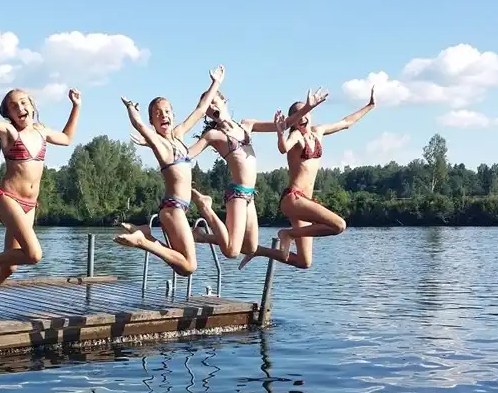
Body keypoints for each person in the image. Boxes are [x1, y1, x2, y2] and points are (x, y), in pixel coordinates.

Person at [0, 60, 82, 332]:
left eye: (24, 102)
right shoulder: (9, 132)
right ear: (9, 114)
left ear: (33, 106)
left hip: (29, 205)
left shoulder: (42, 131)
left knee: (11, 266)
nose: (21, 108)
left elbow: (68, 138)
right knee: (34, 255)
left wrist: (76, 107)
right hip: (8, 198)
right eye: (14, 106)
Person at [240, 86, 376, 271]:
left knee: (304, 262)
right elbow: (283, 148)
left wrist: (369, 106)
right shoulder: (296, 135)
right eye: (298, 115)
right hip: (293, 199)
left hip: (306, 203)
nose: (303, 118)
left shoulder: (318, 131)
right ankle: (287, 234)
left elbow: (346, 122)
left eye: (306, 113)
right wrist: (280, 132)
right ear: (294, 121)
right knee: (339, 225)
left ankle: (258, 251)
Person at [182, 89, 327, 259]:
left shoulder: (246, 125)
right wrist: (163, 143)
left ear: (224, 101)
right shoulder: (213, 135)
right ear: (205, 112)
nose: (212, 106)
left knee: (250, 248)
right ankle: (205, 206)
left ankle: (202, 236)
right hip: (237, 193)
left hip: (251, 195)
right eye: (207, 105)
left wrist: (307, 108)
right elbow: (186, 155)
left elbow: (283, 125)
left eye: (214, 101)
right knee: (232, 251)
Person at [113, 66, 225, 276]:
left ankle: (146, 234)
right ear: (153, 122)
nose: (163, 115)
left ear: (173, 114)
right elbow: (139, 125)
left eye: (166, 111)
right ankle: (142, 240)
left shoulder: (179, 135)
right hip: (173, 208)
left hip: (178, 208)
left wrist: (216, 83)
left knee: (182, 265)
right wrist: (131, 108)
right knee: (189, 266)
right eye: (157, 114)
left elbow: (201, 110)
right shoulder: (159, 143)